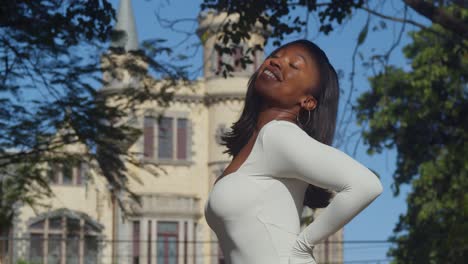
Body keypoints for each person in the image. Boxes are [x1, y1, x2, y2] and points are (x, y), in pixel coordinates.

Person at [204, 39, 383, 264]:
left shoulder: (279, 135)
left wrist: (302, 247)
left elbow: (366, 185)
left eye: (294, 65)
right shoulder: (259, 142)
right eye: (276, 56)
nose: (277, 62)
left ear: (308, 101)